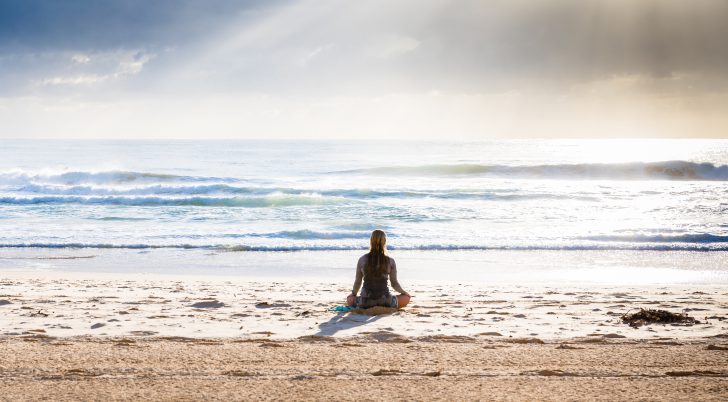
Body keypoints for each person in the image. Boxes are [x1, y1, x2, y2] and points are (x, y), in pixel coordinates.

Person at [346, 230, 411, 308]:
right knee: (406, 298)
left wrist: (353, 294)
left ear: (371, 241)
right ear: (384, 242)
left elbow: (358, 282)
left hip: (365, 302)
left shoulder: (362, 259)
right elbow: (394, 284)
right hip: (386, 301)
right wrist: (404, 292)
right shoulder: (390, 261)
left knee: (349, 299)